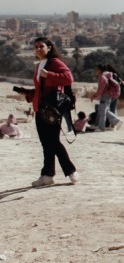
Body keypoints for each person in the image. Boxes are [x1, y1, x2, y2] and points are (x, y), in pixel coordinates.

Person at [27, 37, 78, 187]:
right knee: (46, 143)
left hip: (51, 110)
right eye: (36, 47)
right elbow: (41, 89)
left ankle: (71, 171)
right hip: (40, 108)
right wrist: (30, 95)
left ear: (49, 48)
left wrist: (49, 75)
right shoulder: (39, 65)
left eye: (41, 46)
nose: (38, 49)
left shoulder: (54, 62)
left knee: (53, 142)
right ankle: (47, 175)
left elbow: (68, 77)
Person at [91, 64, 122, 131]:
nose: (95, 71)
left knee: (102, 112)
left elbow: (101, 89)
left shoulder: (102, 77)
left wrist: (94, 96)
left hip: (105, 96)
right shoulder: (106, 77)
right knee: (104, 110)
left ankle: (101, 128)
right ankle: (116, 120)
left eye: (97, 70)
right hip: (108, 96)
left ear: (100, 70)